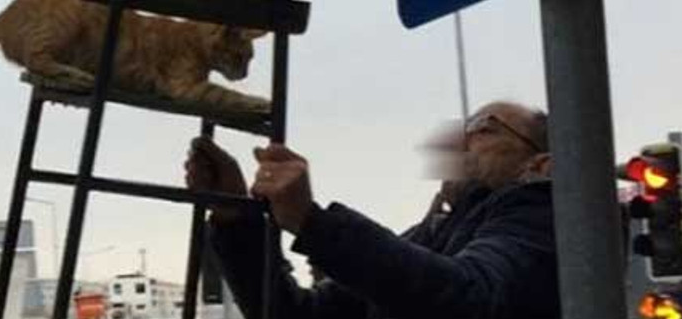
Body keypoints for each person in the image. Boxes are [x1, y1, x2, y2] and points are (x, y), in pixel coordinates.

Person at [184, 102, 559, 319]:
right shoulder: (435, 231)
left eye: (485, 128)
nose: (459, 139)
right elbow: (294, 315)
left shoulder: (544, 212)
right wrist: (236, 219)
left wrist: (312, 222)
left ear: (539, 164)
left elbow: (473, 298)